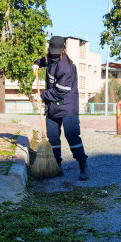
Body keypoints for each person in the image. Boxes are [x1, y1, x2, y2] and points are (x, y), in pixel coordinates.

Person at [31, 35, 89, 180]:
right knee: (53, 138)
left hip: (68, 107)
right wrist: (37, 63)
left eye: (57, 51)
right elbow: (46, 61)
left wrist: (43, 96)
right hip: (53, 107)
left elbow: (61, 90)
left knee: (72, 136)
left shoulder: (67, 67)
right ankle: (56, 166)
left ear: (64, 49)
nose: (54, 53)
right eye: (52, 51)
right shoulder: (51, 58)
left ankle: (82, 164)